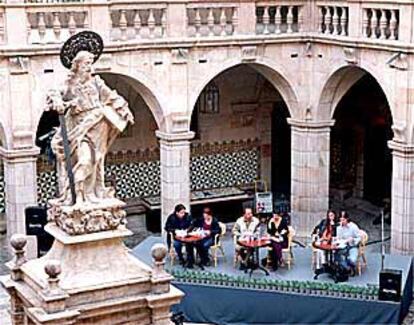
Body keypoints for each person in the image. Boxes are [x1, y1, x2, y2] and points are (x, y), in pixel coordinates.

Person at [47, 51, 134, 206]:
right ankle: (75, 194)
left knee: (96, 161)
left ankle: (90, 194)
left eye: (90, 64)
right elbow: (54, 93)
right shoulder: (69, 84)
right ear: (78, 65)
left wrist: (124, 110)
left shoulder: (97, 82)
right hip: (79, 126)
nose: (89, 67)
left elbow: (112, 96)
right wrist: (58, 101)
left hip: (98, 124)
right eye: (86, 63)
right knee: (85, 159)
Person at [335, 211, 361, 276]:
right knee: (336, 256)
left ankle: (348, 266)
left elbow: (359, 238)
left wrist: (353, 240)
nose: (342, 222)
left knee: (352, 260)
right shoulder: (339, 227)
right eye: (340, 220)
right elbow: (338, 238)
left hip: (352, 246)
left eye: (343, 220)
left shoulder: (353, 227)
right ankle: (347, 268)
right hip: (343, 246)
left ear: (347, 219)